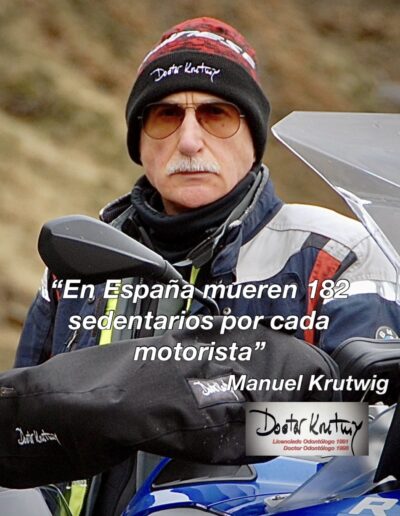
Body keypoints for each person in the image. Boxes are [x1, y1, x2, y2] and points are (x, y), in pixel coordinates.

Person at [13, 16, 400, 515]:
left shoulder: (334, 250)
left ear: (253, 135)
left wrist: (201, 410)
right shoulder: (79, 259)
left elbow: (372, 432)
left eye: (217, 114)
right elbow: (19, 427)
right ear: (139, 140)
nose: (190, 140)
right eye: (165, 116)